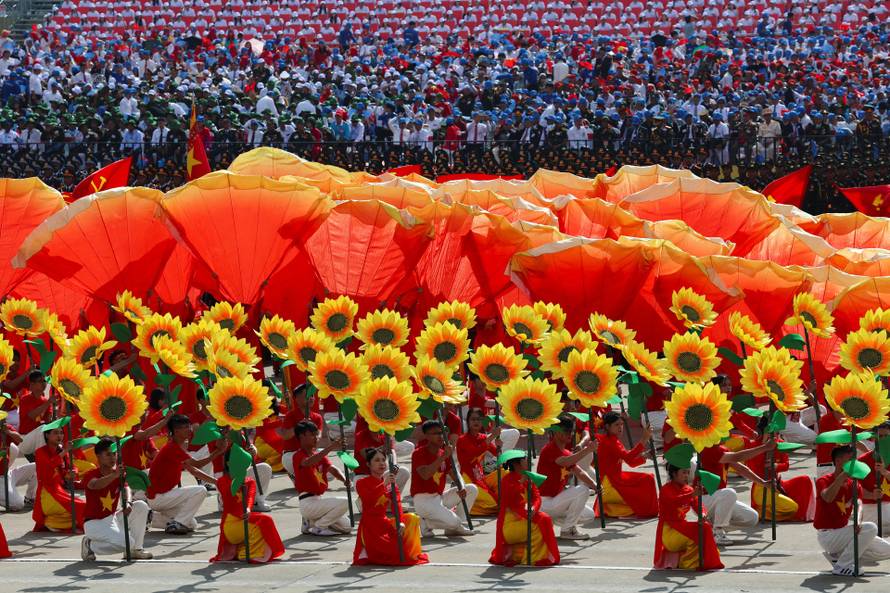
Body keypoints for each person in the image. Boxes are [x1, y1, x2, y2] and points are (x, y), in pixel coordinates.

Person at [815, 445, 890, 576]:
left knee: (886, 549)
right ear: (838, 461)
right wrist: (841, 477)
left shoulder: (853, 483)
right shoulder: (824, 480)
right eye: (850, 459)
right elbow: (827, 497)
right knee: (871, 528)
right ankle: (842, 566)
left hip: (844, 533)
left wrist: (859, 520)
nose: (854, 462)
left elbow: (859, 504)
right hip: (828, 535)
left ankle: (839, 556)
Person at [144, 414, 220, 534]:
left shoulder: (177, 447)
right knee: (201, 490)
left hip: (164, 497)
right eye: (185, 427)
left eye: (189, 426)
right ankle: (178, 523)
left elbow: (194, 470)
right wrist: (219, 451)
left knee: (191, 524)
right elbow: (198, 464)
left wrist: (217, 482)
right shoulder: (172, 448)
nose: (189, 429)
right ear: (176, 431)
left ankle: (150, 517)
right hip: (159, 497)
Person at [353, 447, 428, 566]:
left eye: (383, 460)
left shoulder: (391, 485)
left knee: (413, 518)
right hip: (370, 526)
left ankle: (410, 552)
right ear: (368, 464)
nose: (382, 463)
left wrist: (401, 521)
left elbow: (397, 504)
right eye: (377, 460)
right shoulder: (361, 483)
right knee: (392, 553)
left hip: (384, 523)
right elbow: (369, 498)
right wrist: (384, 484)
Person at [81, 438, 152, 561]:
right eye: (108, 454)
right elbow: (95, 485)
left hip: (112, 518)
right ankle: (90, 545)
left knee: (140, 505)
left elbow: (126, 487)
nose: (112, 458)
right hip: (94, 524)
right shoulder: (91, 474)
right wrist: (114, 475)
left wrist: (128, 502)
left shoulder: (119, 474)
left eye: (114, 454)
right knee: (127, 543)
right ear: (98, 456)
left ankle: (136, 550)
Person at [210, 449, 284, 563]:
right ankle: (246, 554)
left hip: (244, 518)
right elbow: (229, 499)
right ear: (229, 463)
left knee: (265, 520)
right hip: (230, 524)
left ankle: (245, 550)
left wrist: (248, 508)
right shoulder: (223, 481)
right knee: (258, 526)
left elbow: (250, 497)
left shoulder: (249, 482)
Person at [695, 438, 775, 544]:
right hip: (703, 500)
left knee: (751, 518)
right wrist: (765, 447)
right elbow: (737, 457)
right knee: (729, 493)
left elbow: (741, 469)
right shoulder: (707, 449)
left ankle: (709, 527)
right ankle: (717, 531)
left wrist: (763, 482)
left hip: (720, 498)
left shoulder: (722, 449)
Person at [489, 449, 560, 566]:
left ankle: (528, 555)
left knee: (545, 519)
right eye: (525, 459)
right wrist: (521, 483)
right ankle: (533, 558)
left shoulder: (528, 478)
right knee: (539, 524)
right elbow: (513, 500)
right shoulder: (506, 481)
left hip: (523, 518)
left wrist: (533, 509)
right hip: (509, 525)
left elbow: (537, 497)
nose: (528, 461)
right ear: (517, 463)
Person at [536, 413, 598, 540]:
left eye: (571, 431)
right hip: (544, 502)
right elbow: (565, 462)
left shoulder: (566, 452)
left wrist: (595, 485)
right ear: (557, 432)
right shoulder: (549, 449)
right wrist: (587, 450)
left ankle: (554, 522)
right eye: (567, 431)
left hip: (556, 501)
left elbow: (579, 471)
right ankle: (567, 530)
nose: (570, 434)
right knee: (582, 490)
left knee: (588, 515)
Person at [411, 420, 477, 537]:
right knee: (454, 521)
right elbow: (425, 474)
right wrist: (443, 457)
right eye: (436, 433)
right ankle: (427, 522)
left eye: (442, 432)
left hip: (439, 498)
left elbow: (455, 474)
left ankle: (453, 528)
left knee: (471, 489)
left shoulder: (444, 453)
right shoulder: (418, 453)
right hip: (423, 501)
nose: (441, 436)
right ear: (426, 436)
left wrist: (461, 486)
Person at [653, 464, 724, 571]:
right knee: (700, 531)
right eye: (683, 472)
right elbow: (674, 501)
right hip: (669, 530)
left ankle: (704, 560)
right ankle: (687, 563)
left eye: (687, 472)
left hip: (681, 527)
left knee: (704, 527)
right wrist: (691, 495)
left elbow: (697, 506)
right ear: (674, 474)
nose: (686, 476)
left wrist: (703, 514)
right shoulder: (665, 490)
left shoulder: (688, 489)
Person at [292, 420, 352, 536]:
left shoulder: (317, 454)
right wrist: (331, 447)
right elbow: (308, 462)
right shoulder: (298, 455)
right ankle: (319, 527)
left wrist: (345, 480)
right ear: (301, 436)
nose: (316, 438)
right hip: (307, 503)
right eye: (312, 434)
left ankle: (310, 522)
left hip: (318, 501)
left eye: (317, 434)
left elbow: (333, 469)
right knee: (345, 502)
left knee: (347, 527)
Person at [748, 421, 815, 522]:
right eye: (773, 432)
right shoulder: (754, 445)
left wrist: (776, 466)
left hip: (778, 485)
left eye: (777, 432)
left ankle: (804, 514)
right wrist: (764, 447)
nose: (776, 435)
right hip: (761, 486)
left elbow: (786, 465)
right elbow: (752, 467)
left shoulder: (781, 444)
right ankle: (762, 512)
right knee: (792, 507)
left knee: (804, 480)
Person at [456, 407, 519, 515]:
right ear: (468, 421)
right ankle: (470, 506)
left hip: (481, 478)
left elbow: (498, 454)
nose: (476, 422)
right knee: (494, 503)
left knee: (506, 473)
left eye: (479, 419)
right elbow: (475, 452)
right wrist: (493, 436)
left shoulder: (482, 437)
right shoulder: (462, 440)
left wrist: (499, 446)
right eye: (473, 419)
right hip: (468, 480)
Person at [594, 411, 658, 518]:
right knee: (647, 480)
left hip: (616, 478)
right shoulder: (610, 442)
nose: (620, 427)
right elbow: (628, 457)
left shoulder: (613, 440)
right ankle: (647, 509)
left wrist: (645, 456)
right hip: (610, 482)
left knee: (648, 478)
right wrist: (644, 439)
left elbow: (630, 462)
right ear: (607, 426)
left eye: (621, 424)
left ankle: (647, 508)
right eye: (616, 425)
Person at [32, 425, 85, 532]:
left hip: (58, 491)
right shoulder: (40, 452)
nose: (59, 436)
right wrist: (65, 451)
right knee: (79, 507)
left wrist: (73, 472)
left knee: (81, 508)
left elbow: (71, 466)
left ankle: (51, 523)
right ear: (47, 435)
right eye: (55, 433)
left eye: (61, 433)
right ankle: (52, 523)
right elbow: (49, 465)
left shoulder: (61, 451)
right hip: (47, 492)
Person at [278, 384, 324, 478]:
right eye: (307, 396)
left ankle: (302, 476)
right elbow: (285, 435)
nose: (311, 398)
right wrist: (299, 425)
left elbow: (318, 438)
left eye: (312, 396)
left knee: (327, 469)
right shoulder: (290, 415)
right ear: (297, 399)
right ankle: (297, 475)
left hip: (309, 453)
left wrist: (312, 432)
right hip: (291, 454)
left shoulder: (317, 417)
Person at [860, 422, 890, 534]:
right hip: (870, 507)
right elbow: (855, 488)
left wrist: (884, 472)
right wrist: (871, 495)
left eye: (886, 436)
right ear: (874, 438)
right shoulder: (863, 460)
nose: (883, 440)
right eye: (880, 436)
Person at [0, 421, 37, 510]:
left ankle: (30, 498)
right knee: (18, 505)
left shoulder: (4, 428)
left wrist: (8, 432)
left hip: (6, 473)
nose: (4, 420)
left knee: (37, 466)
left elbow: (20, 439)